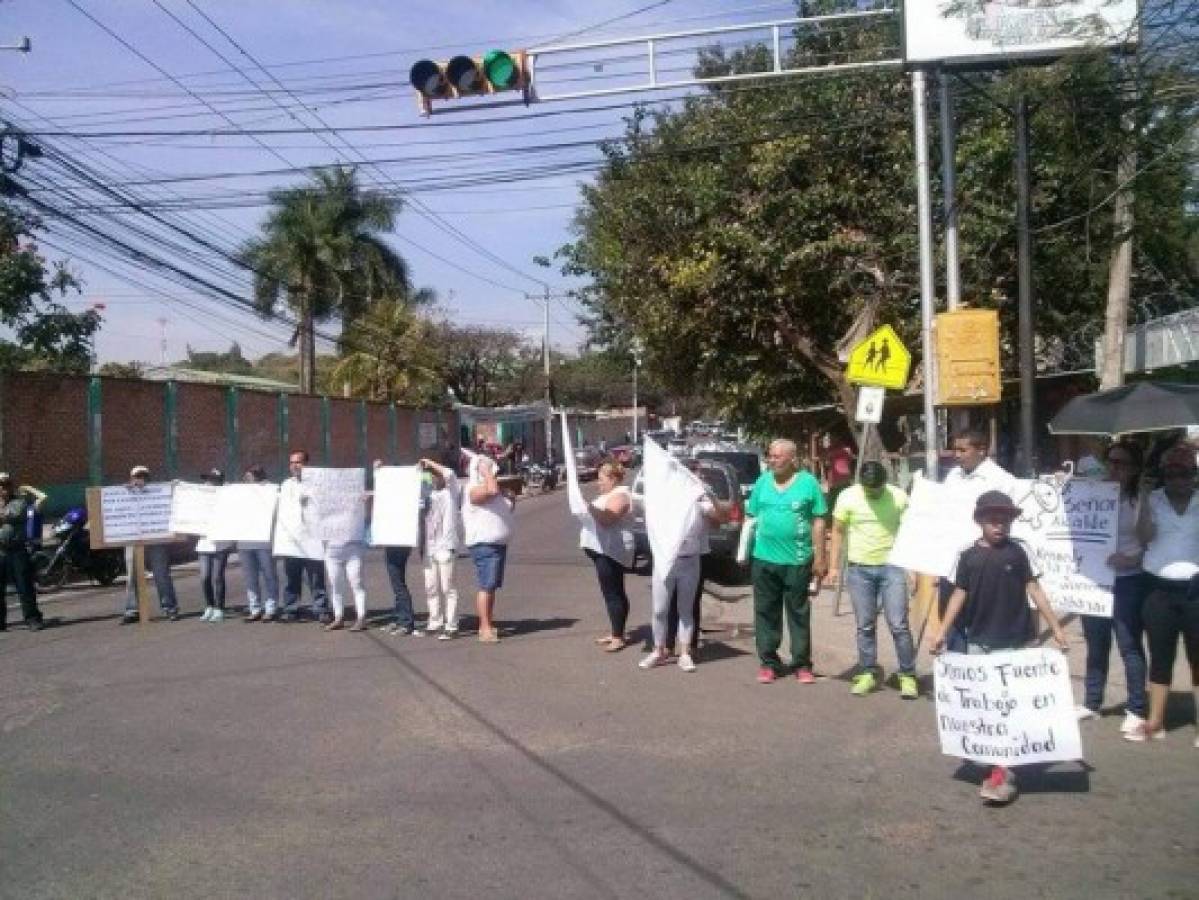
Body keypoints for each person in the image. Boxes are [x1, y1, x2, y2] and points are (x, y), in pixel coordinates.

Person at [930, 491, 1070, 805]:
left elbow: (1034, 589)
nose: (999, 525)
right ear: (979, 521)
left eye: (1005, 519)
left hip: (1018, 641)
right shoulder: (966, 555)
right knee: (988, 706)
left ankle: (1002, 771)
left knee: (1013, 705)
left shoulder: (1020, 552)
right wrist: (941, 631)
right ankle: (999, 765)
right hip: (979, 642)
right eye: (993, 519)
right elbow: (958, 594)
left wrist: (1057, 628)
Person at [1127, 444, 1198, 746]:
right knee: (1160, 657)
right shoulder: (1153, 500)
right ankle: (1156, 722)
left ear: (1194, 475)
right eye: (1171, 473)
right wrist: (1143, 499)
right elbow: (1143, 537)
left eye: (1184, 473)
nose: (1177, 479)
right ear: (1163, 475)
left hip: (1196, 590)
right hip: (1158, 590)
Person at [828, 461, 917, 699]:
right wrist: (833, 567)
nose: (873, 492)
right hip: (859, 569)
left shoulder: (898, 497)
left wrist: (912, 568)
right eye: (869, 489)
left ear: (884, 483)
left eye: (877, 488)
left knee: (898, 624)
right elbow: (837, 531)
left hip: (893, 567)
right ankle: (868, 671)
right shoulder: (848, 497)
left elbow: (911, 532)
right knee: (865, 624)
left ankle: (907, 674)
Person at [1075, 441, 1148, 733]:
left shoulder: (1141, 499)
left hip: (1128, 581)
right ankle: (1092, 703)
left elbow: (1152, 543)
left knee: (1129, 645)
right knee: (1096, 644)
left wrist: (1131, 560)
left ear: (1134, 469)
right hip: (1094, 580)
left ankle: (1136, 708)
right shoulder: (1093, 491)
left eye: (1122, 463)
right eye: (1112, 462)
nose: (1115, 468)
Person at [746, 439, 828, 684]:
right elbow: (751, 517)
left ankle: (802, 664)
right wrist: (744, 551)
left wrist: (821, 558)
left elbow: (819, 521)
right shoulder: (762, 482)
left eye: (777, 456)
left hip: (798, 560)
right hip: (764, 559)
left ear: (792, 459)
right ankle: (769, 662)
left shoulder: (808, 483)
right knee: (765, 612)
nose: (772, 460)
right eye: (770, 456)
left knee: (798, 614)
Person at [640, 463, 728, 673]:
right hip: (665, 561)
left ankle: (685, 652)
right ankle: (659, 649)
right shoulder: (666, 499)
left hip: (690, 561)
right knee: (660, 609)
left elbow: (721, 518)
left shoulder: (701, 502)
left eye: (697, 476)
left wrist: (711, 496)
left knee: (685, 610)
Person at [939, 429, 1018, 652]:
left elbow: (1009, 527)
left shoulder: (1001, 481)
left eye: (963, 450)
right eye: (955, 449)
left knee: (980, 625)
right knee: (952, 623)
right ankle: (958, 677)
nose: (956, 455)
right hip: (950, 562)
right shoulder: (953, 477)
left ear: (981, 450)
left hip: (983, 564)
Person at [462, 448, 515, 643]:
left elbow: (505, 506)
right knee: (486, 585)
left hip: (497, 544)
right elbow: (491, 490)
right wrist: (485, 471)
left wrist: (510, 497)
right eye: (492, 471)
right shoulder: (474, 488)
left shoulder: (490, 487)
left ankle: (488, 624)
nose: (495, 474)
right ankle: (484, 628)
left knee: (491, 586)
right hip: (485, 545)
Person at [583, 459, 634, 652]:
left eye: (601, 479)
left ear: (613, 479)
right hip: (603, 550)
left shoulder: (621, 495)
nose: (599, 483)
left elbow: (607, 519)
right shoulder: (611, 494)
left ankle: (618, 636)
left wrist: (588, 507)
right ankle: (616, 631)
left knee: (613, 592)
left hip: (612, 551)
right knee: (611, 592)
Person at [277, 450, 330, 624]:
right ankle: (291, 609)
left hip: (312, 538)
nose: (294, 466)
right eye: (291, 462)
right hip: (292, 539)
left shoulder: (318, 484)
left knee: (315, 577)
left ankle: (321, 608)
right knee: (292, 577)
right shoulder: (285, 485)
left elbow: (327, 505)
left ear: (307, 464)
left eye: (298, 462)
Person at [122, 465, 179, 624]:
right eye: (137, 476)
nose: (140, 480)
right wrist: (124, 492)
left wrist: (175, 487)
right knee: (132, 575)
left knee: (161, 574)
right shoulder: (124, 493)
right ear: (131, 478)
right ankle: (132, 610)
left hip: (156, 539)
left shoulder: (158, 493)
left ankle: (170, 607)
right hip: (132, 539)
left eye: (144, 476)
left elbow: (171, 499)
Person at [374, 460, 422, 637]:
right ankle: (399, 617)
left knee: (398, 582)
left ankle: (406, 622)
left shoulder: (404, 498)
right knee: (396, 582)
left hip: (400, 541)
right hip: (393, 539)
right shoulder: (395, 497)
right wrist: (377, 472)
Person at [420, 458, 461, 639]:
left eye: (437, 476)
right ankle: (435, 621)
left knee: (447, 587)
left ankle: (451, 624)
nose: (435, 479)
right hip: (429, 547)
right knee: (431, 587)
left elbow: (450, 473)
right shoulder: (426, 496)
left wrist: (430, 462)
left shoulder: (451, 493)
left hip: (445, 546)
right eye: (432, 477)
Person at [0, 472, 44, 631]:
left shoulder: (19, 502)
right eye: (0, 486)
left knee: (24, 586)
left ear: (10, 487)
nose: (2, 489)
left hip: (17, 550)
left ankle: (32, 618)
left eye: (5, 486)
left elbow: (13, 514)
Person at [324, 483, 370, 633]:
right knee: (335, 585)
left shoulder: (356, 504)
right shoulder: (325, 507)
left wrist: (366, 503)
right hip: (332, 551)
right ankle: (338, 617)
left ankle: (361, 617)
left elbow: (366, 517)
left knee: (357, 584)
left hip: (352, 550)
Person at [239, 465, 279, 622]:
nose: (247, 480)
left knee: (269, 575)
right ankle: (254, 608)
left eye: (251, 476)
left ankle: (271, 608)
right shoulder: (239, 493)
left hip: (264, 541)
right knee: (250, 578)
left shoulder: (270, 490)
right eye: (246, 477)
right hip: (244, 541)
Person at [196, 468, 234, 623]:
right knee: (205, 576)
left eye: (211, 480)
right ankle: (209, 606)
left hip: (221, 542)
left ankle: (219, 608)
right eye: (206, 480)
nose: (208, 483)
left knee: (218, 576)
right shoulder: (200, 497)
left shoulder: (226, 497)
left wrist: (229, 490)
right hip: (204, 541)